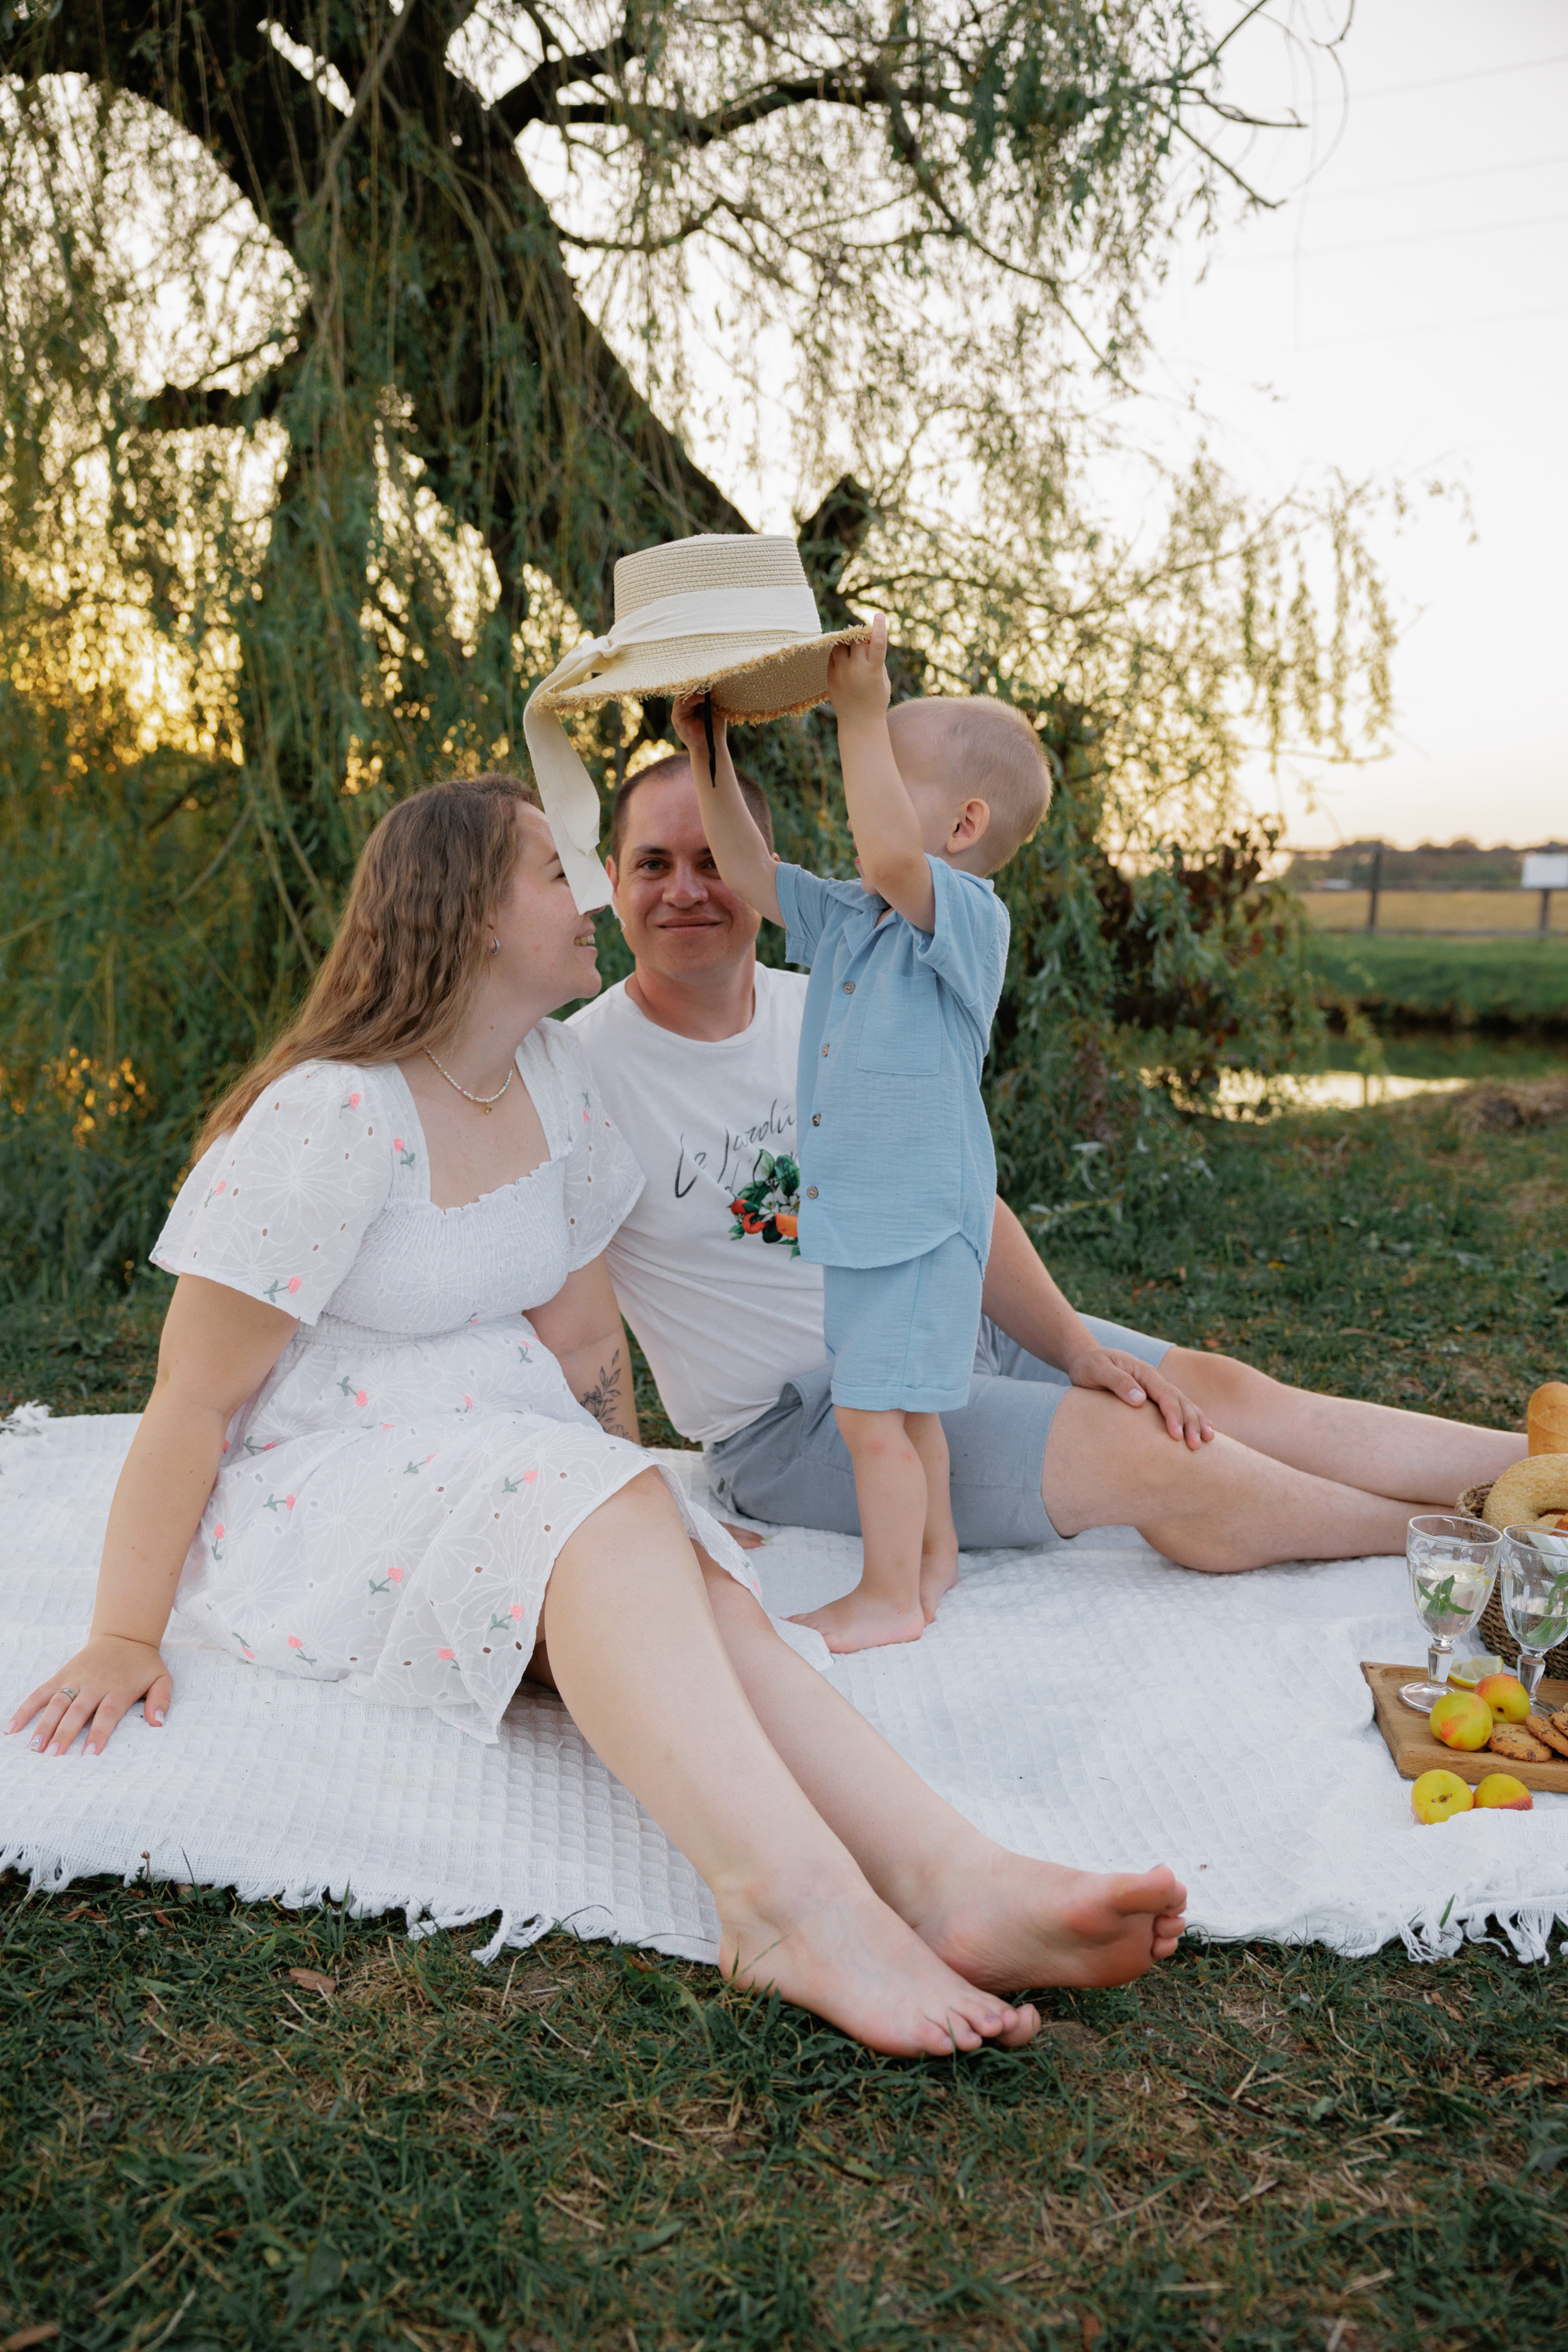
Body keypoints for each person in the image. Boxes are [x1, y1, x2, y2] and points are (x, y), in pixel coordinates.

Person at [6, 772, 1189, 2055]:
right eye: (551, 870)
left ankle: (955, 1874)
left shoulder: (556, 1079)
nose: (591, 896)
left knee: (702, 1594)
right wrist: (125, 1632)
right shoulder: (332, 1112)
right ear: (465, 915)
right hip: (328, 1480)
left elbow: (578, 1342)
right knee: (610, 1518)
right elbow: (193, 1400)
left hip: (509, 1452)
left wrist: (645, 1517)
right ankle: (784, 1906)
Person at [569, 757, 1523, 1568]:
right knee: (1148, 1452)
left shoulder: (832, 1000)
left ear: (756, 869)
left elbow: (954, 1196)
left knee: (1215, 1391)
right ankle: (1464, 1544)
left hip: (944, 1319)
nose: (685, 889)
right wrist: (640, 1503)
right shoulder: (581, 1077)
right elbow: (578, 1328)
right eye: (653, 863)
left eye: (710, 859)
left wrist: (1075, 1350)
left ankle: (1535, 1464)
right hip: (805, 1422)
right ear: (610, 875)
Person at [675, 623, 1046, 1653]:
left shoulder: (965, 915)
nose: (863, 781)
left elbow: (889, 847)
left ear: (965, 823)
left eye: (888, 767)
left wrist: (858, 707)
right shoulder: (852, 919)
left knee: (871, 1416)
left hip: (922, 1219)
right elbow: (751, 871)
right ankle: (930, 1566)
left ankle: (886, 1595)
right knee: (906, 1407)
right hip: (867, 1218)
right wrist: (709, 752)